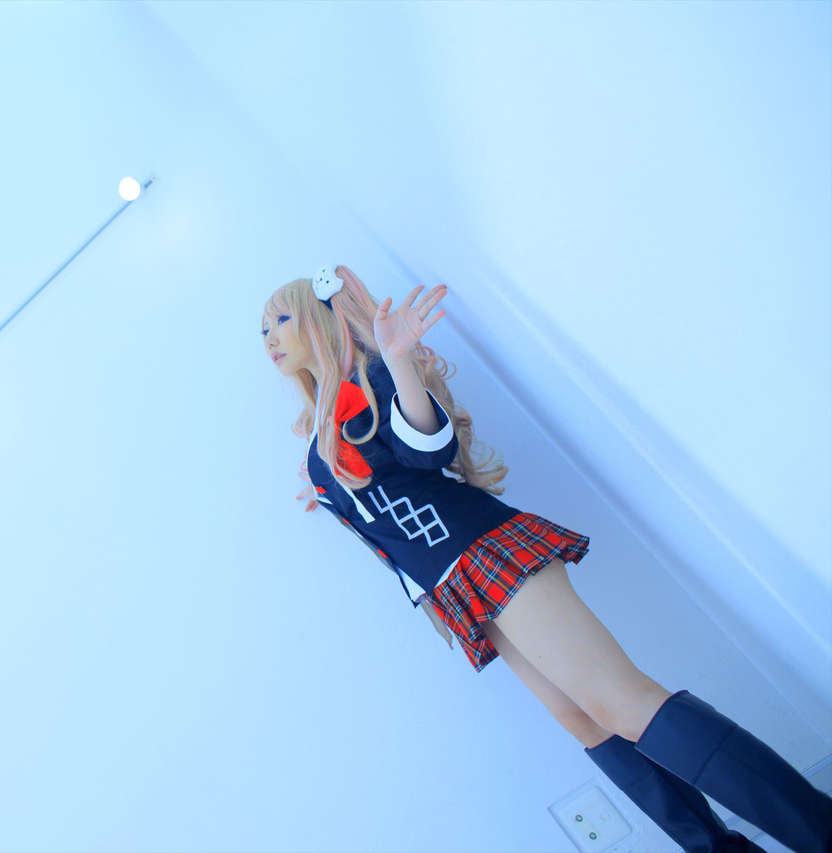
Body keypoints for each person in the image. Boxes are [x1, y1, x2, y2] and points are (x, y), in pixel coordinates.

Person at [261, 265, 832, 852]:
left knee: (622, 702)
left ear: (320, 318)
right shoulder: (320, 427)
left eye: (281, 319)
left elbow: (429, 450)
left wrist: (400, 362)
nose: (270, 337)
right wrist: (327, 489)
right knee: (585, 722)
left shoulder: (374, 376)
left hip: (484, 551)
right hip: (456, 584)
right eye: (263, 330)